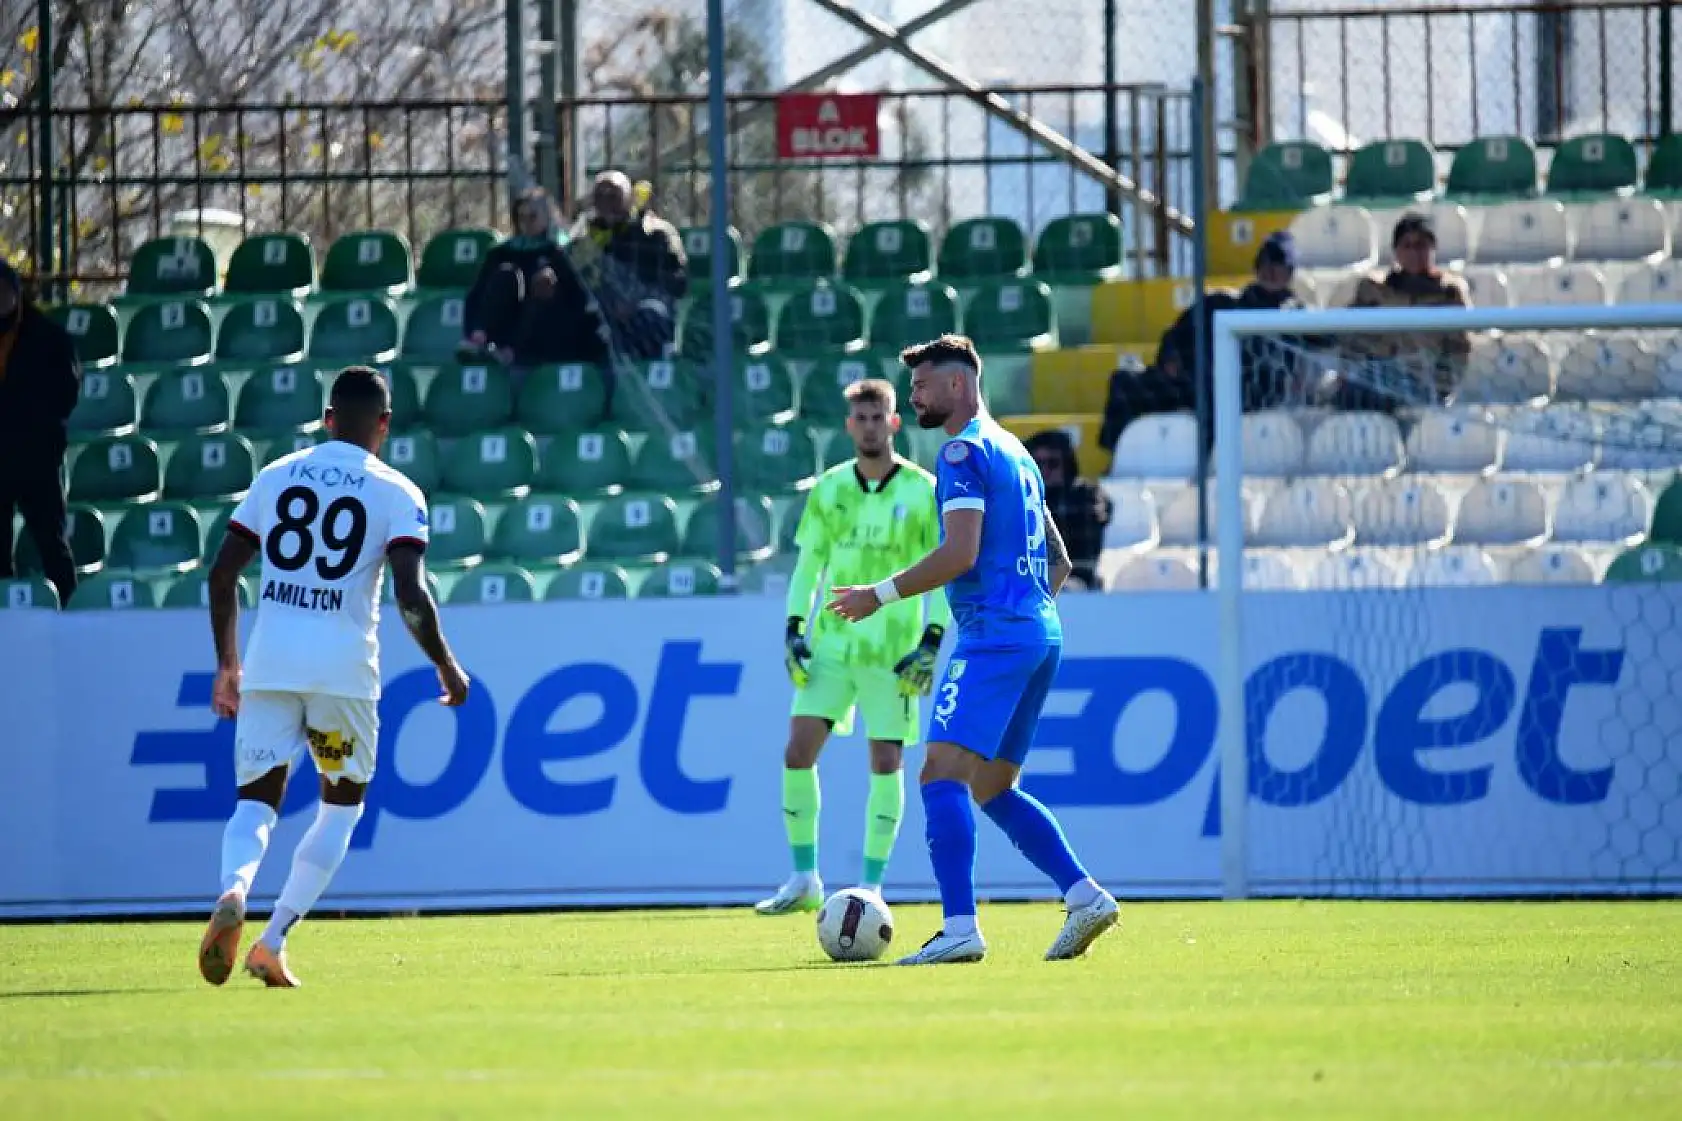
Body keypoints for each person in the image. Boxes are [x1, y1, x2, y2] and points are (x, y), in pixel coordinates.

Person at [828, 335, 1119, 966]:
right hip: (1041, 631)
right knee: (992, 785)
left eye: (923, 385)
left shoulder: (962, 452)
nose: (915, 396)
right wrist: (1027, 612)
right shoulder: (1016, 451)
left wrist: (879, 595)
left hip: (993, 635)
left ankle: (960, 927)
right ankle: (1084, 894)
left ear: (958, 385)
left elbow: (960, 553)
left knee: (939, 774)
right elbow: (1061, 558)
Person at [198, 366, 471, 988]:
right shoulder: (397, 492)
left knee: (255, 799)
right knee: (341, 807)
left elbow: (221, 574)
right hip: (341, 677)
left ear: (326, 419)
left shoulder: (275, 477)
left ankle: (234, 888)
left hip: (270, 665)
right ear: (384, 425)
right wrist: (445, 664)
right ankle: (270, 941)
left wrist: (227, 664)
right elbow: (410, 594)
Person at [756, 378, 950, 914]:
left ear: (894, 422)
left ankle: (871, 885)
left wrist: (932, 641)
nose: (869, 426)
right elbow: (809, 566)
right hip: (833, 645)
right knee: (798, 752)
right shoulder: (829, 488)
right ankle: (803, 877)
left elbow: (944, 573)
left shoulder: (922, 490)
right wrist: (794, 627)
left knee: (886, 761)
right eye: (860, 417)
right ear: (849, 426)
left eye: (878, 416)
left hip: (894, 650)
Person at [1098, 230, 1302, 455]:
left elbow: (1312, 357)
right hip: (1193, 386)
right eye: (1265, 261)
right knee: (1125, 382)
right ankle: (1119, 457)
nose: (1270, 270)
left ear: (1289, 272)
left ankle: (1207, 464)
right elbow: (1175, 336)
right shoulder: (1220, 303)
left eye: (1278, 263)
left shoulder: (1296, 316)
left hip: (1248, 395)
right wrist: (1170, 358)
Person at [1331, 212, 1472, 412]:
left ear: (1433, 249)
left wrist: (1443, 388)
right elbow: (1354, 339)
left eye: (1421, 245)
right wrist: (1345, 372)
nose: (1414, 253)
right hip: (1374, 374)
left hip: (1420, 379)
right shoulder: (1374, 289)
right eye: (1407, 245)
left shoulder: (1449, 293)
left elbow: (1458, 349)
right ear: (1396, 251)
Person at [0, 261, 81, 606]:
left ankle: (70, 610)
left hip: (37, 459)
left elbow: (68, 389)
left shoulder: (47, 337)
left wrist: (39, 426)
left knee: (51, 542)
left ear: (16, 294)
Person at [461, 186, 601, 367]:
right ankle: (479, 340)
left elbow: (579, 299)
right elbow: (477, 294)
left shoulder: (561, 253)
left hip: (547, 329)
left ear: (547, 217)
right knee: (506, 274)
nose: (526, 223)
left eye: (533, 217)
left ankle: (515, 351)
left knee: (543, 283)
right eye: (521, 217)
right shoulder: (501, 252)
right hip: (507, 324)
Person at [567, 171, 688, 360]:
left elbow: (674, 283)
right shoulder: (584, 242)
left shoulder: (656, 235)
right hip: (600, 313)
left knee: (649, 317)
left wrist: (633, 303)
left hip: (643, 312)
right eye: (600, 196)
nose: (606, 202)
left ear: (630, 198)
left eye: (614, 195)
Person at [1023, 429, 1111, 590]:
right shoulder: (1020, 497)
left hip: (1076, 580)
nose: (1045, 470)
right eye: (1037, 464)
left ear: (1067, 464)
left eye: (1053, 463)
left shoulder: (1087, 494)